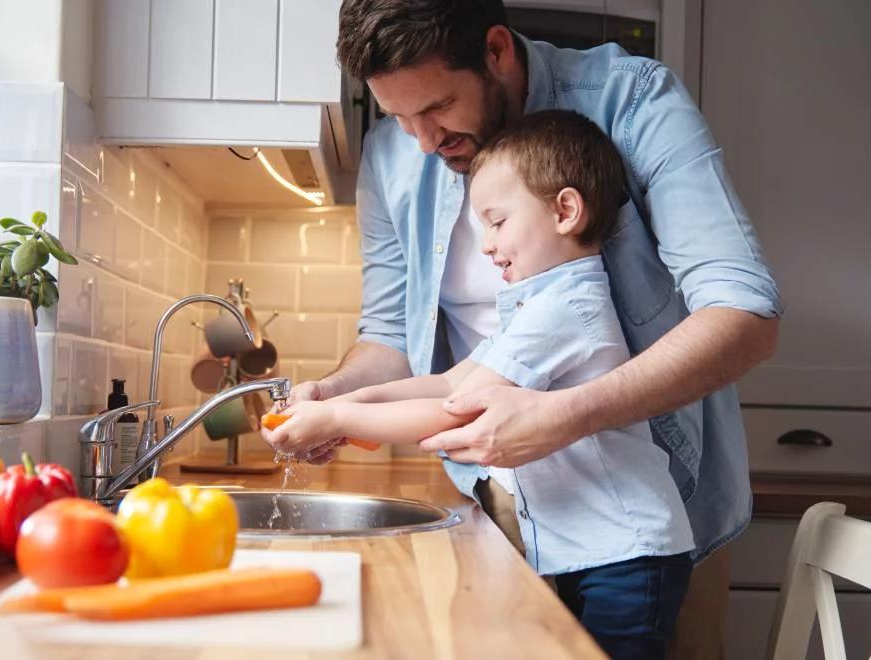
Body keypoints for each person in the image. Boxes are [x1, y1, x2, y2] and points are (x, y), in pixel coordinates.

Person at [263, 2, 782, 657]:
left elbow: (746, 314)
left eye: (439, 107)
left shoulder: (632, 101)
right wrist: (334, 399)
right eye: (399, 117)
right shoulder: (391, 156)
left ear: (497, 50)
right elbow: (394, 340)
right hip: (500, 505)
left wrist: (565, 415)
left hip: (642, 519)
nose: (423, 141)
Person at [270, 110, 697, 657]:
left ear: (565, 211)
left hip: (628, 558)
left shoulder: (566, 307)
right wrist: (345, 397)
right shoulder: (537, 304)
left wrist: (335, 420)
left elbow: (457, 409)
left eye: (496, 222)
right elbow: (451, 381)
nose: (488, 246)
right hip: (595, 552)